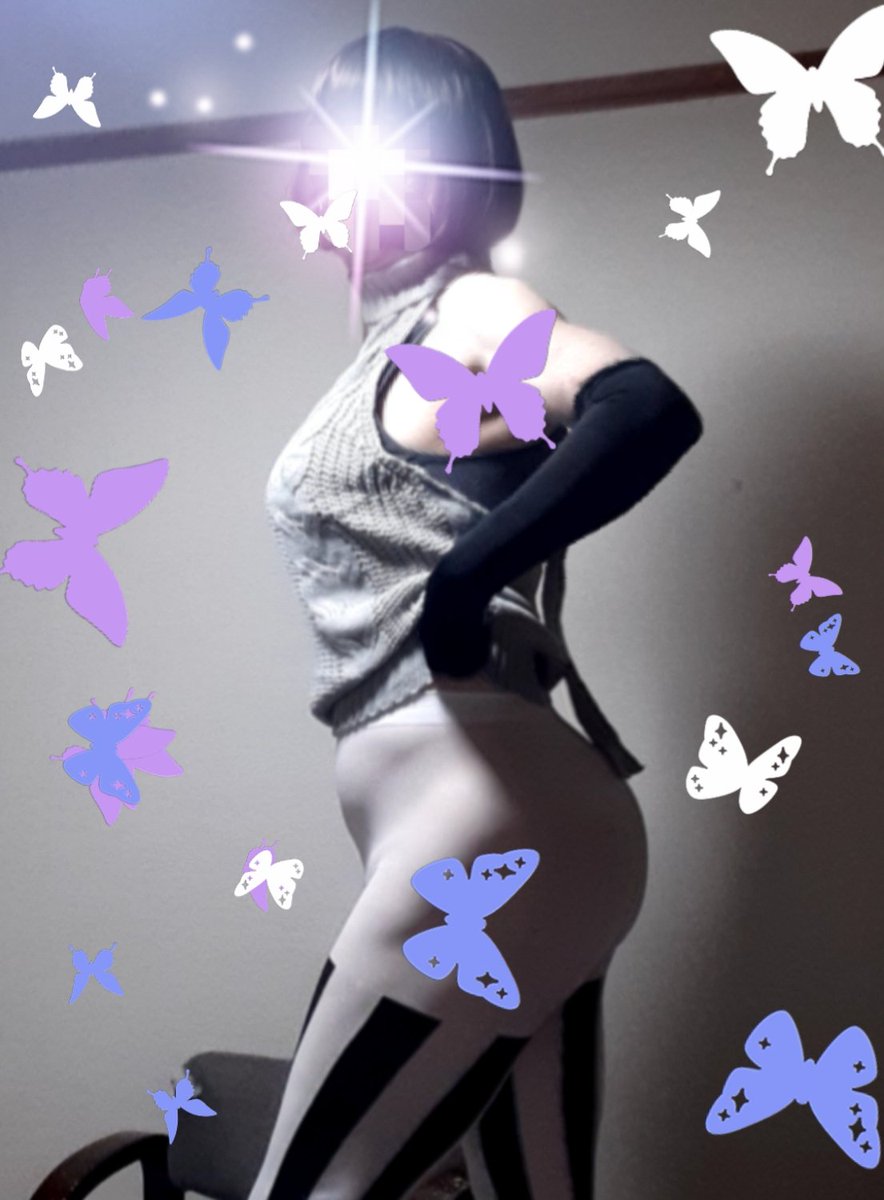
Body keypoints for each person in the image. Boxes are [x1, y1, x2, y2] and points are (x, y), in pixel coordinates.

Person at [251, 26, 702, 1200]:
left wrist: (460, 585)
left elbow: (639, 406)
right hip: (502, 831)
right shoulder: (388, 346)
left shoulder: (469, 305)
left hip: (492, 822)